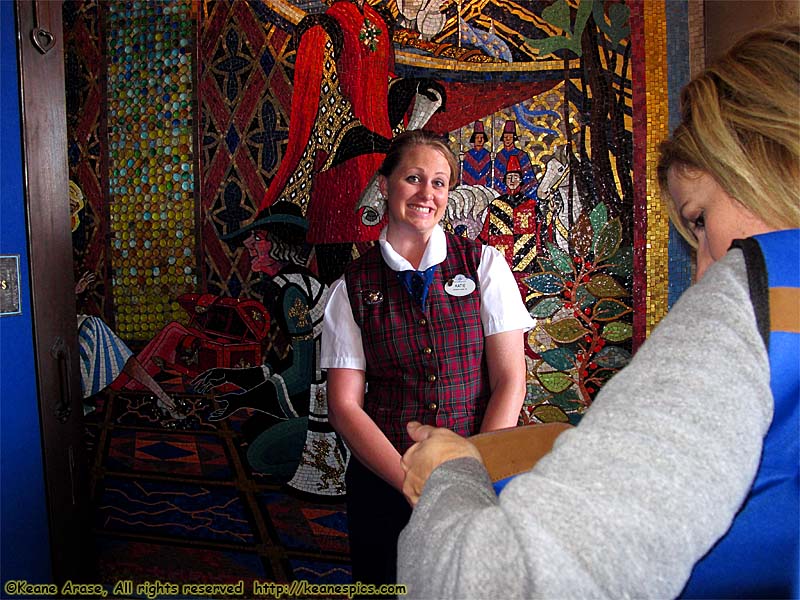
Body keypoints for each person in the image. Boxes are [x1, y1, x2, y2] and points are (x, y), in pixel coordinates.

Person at [397, 23, 799, 599]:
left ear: (758, 160)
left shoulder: (753, 291)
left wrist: (451, 473)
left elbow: (505, 583)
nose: (707, 270)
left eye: (702, 220)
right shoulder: (363, 280)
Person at [321, 129, 535, 587]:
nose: (426, 193)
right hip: (384, 484)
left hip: (474, 477)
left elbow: (510, 380)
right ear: (385, 184)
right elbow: (344, 406)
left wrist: (472, 474)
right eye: (413, 178)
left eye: (439, 182)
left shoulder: (484, 266)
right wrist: (407, 480)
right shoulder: (349, 288)